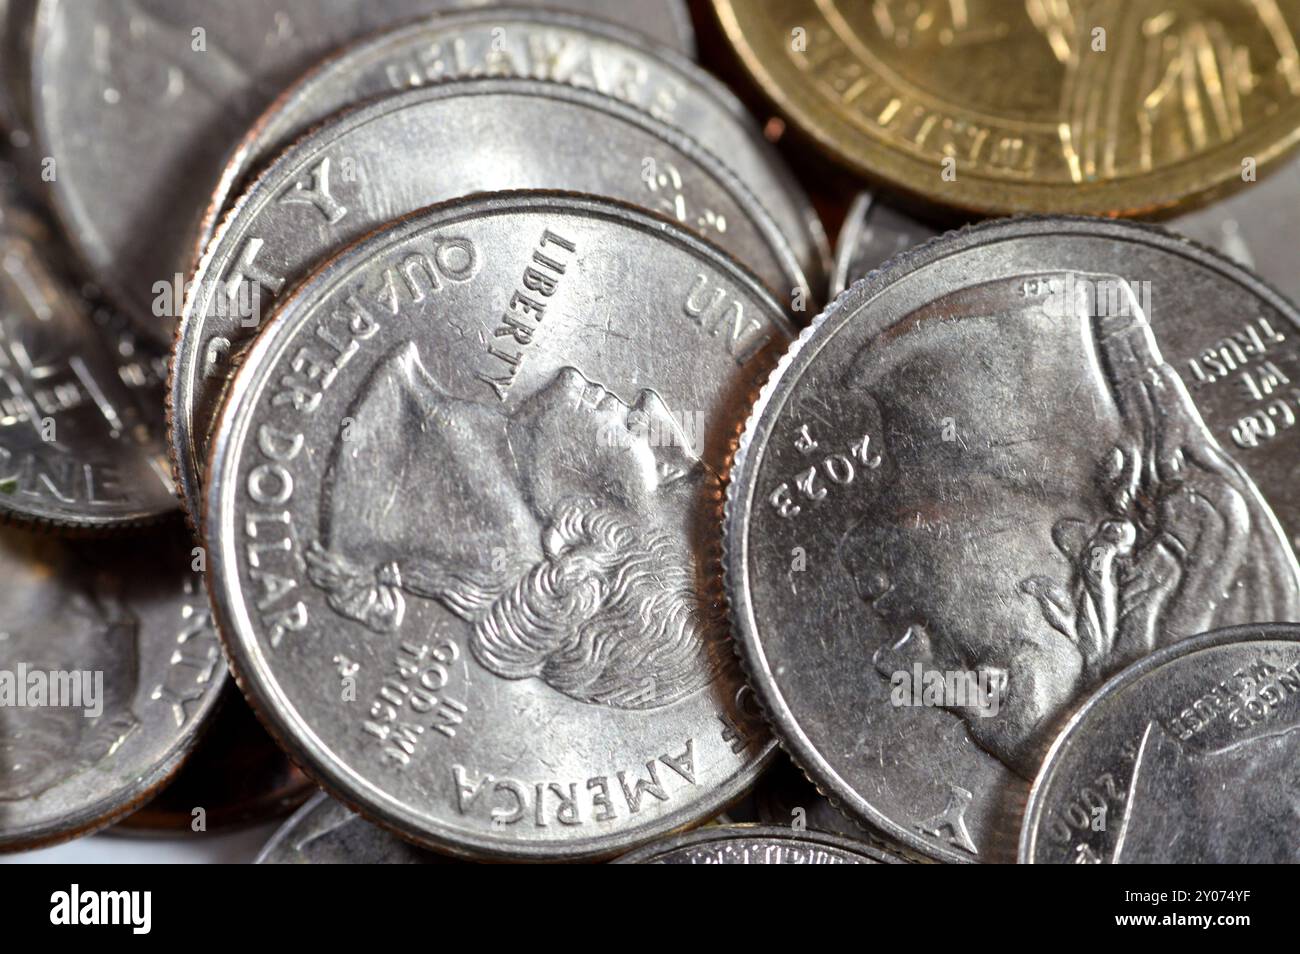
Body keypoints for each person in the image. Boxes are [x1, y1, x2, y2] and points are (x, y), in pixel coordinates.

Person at [307, 343, 728, 710]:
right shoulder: (381, 424)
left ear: (588, 551)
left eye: (669, 474)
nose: (655, 410)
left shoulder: (360, 485)